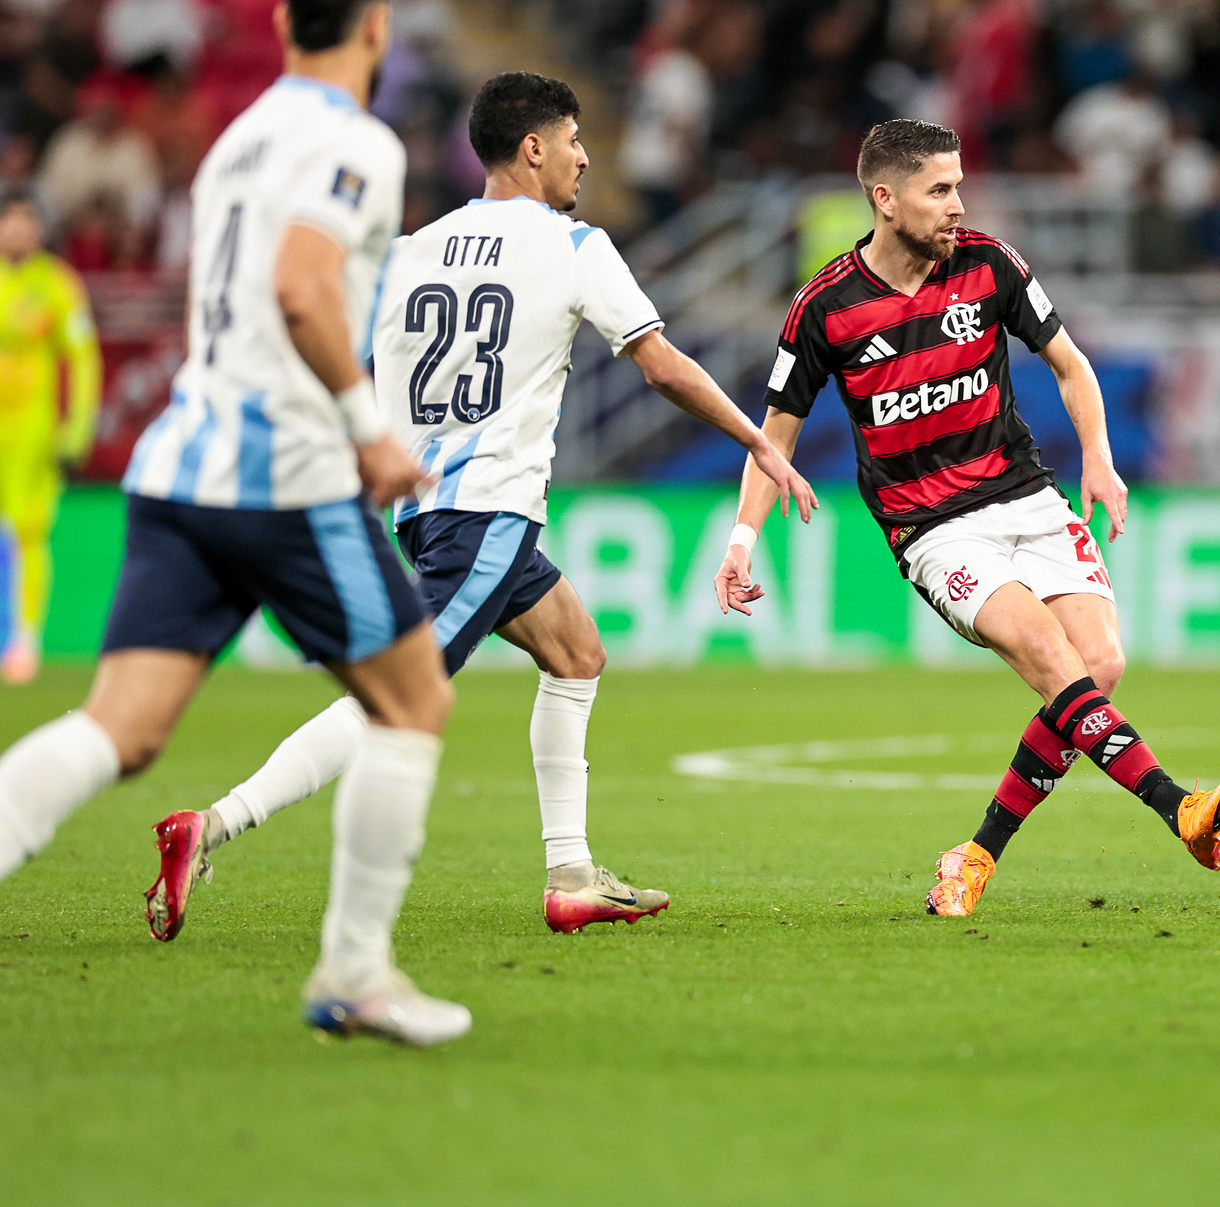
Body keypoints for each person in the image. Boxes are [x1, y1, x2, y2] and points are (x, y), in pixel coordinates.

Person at [148, 72, 816, 938]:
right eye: (573, 137)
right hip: (489, 509)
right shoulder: (574, 245)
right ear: (532, 147)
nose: (584, 155)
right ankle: (215, 823)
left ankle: (571, 871)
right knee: (401, 692)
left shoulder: (409, 251)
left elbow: (324, 348)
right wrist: (757, 440)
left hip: (428, 510)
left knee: (576, 651)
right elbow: (660, 364)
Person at [0, 0, 468, 1045]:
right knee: (413, 699)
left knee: (122, 727)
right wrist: (368, 432)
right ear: (375, 25)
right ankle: (354, 972)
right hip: (285, 477)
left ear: (274, 20)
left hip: (178, 465)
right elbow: (304, 288)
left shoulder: (236, 138)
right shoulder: (356, 144)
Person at [713, 118, 1220, 917]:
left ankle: (974, 856)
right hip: (933, 526)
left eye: (959, 185)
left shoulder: (991, 266)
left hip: (1026, 495)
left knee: (1098, 667)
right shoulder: (825, 307)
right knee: (1042, 648)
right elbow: (774, 432)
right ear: (885, 199)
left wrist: (1098, 457)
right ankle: (1178, 806)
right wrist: (743, 537)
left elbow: (1070, 363)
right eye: (940, 189)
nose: (958, 204)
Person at [0, 194, 101, 683]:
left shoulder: (56, 284)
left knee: (27, 534)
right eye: (9, 223)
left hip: (31, 436)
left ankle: (24, 641)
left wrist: (76, 429)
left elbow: (83, 359)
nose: (16, 233)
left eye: (25, 223)